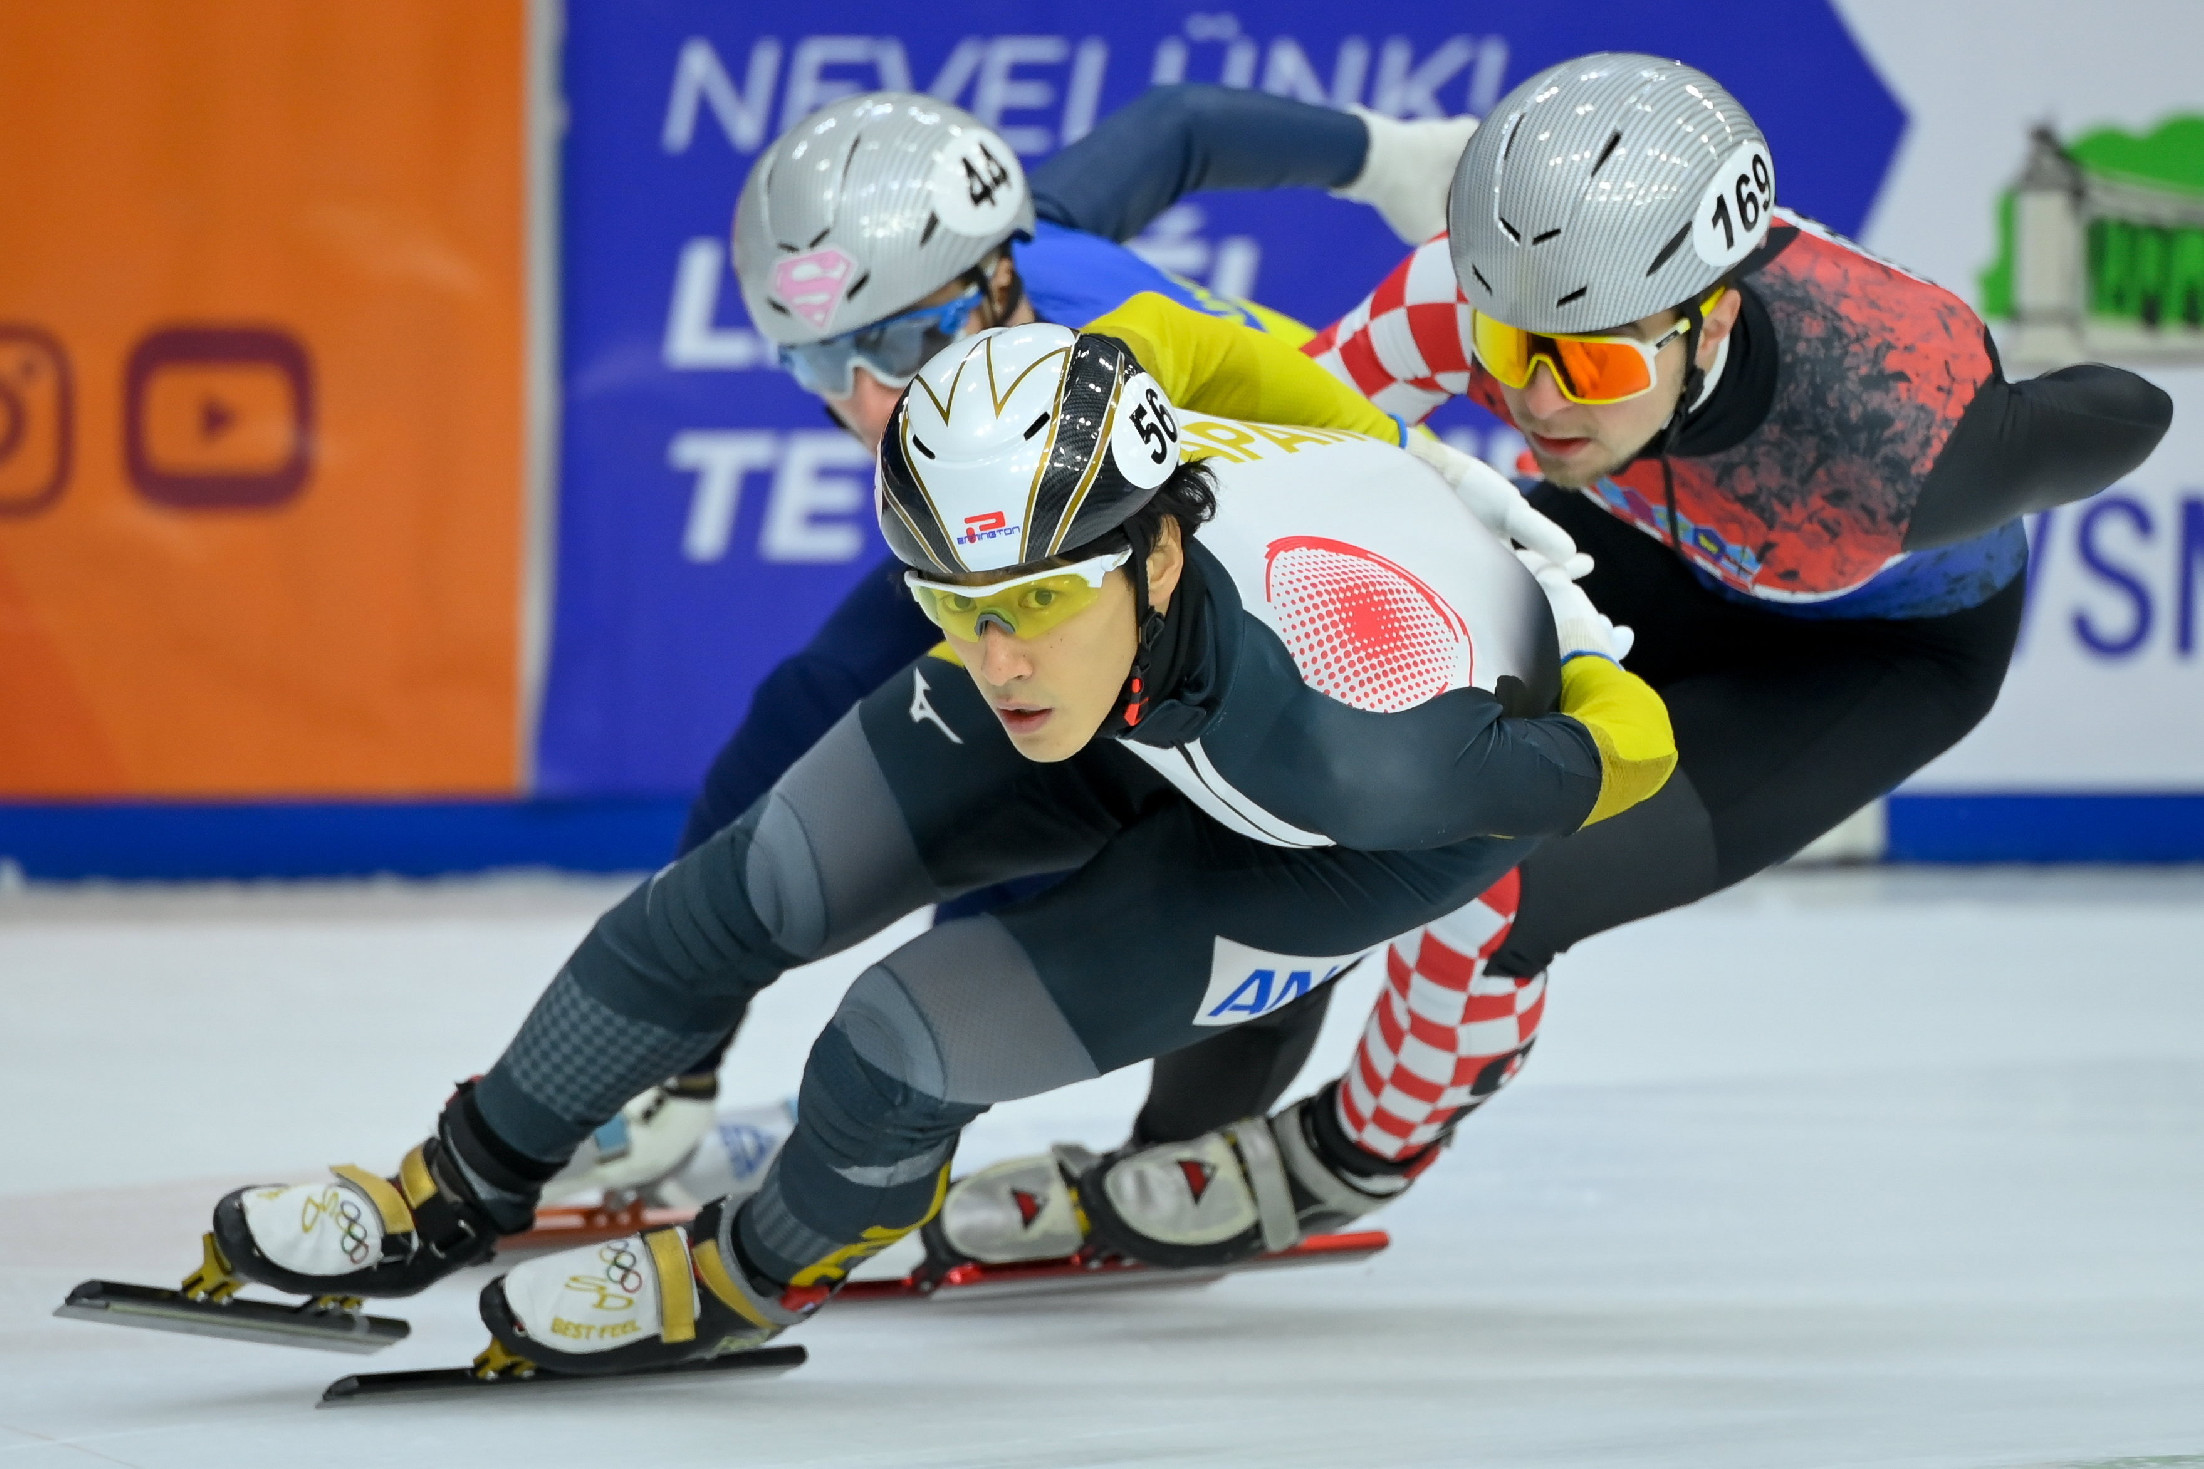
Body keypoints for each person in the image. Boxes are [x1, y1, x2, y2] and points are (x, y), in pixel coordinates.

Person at [200, 324, 1673, 1375]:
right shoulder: (1071, 504)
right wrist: (1383, 442)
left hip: (1329, 831)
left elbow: (1634, 755)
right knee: (746, 889)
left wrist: (1580, 634)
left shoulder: (1365, 745)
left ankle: (742, 1274)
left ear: (1157, 555)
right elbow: (1193, 343)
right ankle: (454, 1182)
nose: (996, 655)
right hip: (1167, 683)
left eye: (1032, 602)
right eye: (952, 601)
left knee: (898, 1047)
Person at [1068, 50, 2175, 1226]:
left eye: (1586, 361)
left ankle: (1347, 1157)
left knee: (1492, 885)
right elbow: (1248, 446)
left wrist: (1999, 442)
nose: (1538, 401)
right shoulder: (1462, 296)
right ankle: (1175, 1136)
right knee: (1305, 767)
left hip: (1870, 656)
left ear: (1712, 323)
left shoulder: (1904, 435)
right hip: (1638, 549)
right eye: (1507, 352)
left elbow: (2131, 410)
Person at [552, 84, 1573, 1203]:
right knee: (808, 706)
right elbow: (1174, 129)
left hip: (1303, 560)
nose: (864, 402)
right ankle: (670, 1076)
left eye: (896, 346)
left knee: (1234, 840)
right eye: (817, 365)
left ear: (993, 282)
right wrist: (1386, 158)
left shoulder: (1092, 356)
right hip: (1045, 533)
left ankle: (1147, 1143)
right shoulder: (1019, 237)